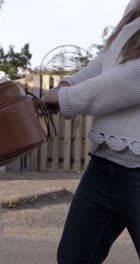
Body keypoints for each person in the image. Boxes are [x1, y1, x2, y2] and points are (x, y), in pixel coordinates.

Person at [42, 0, 140, 262]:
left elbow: (132, 77)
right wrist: (69, 82)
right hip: (103, 166)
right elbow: (109, 60)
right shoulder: (135, 7)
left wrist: (67, 97)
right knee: (74, 257)